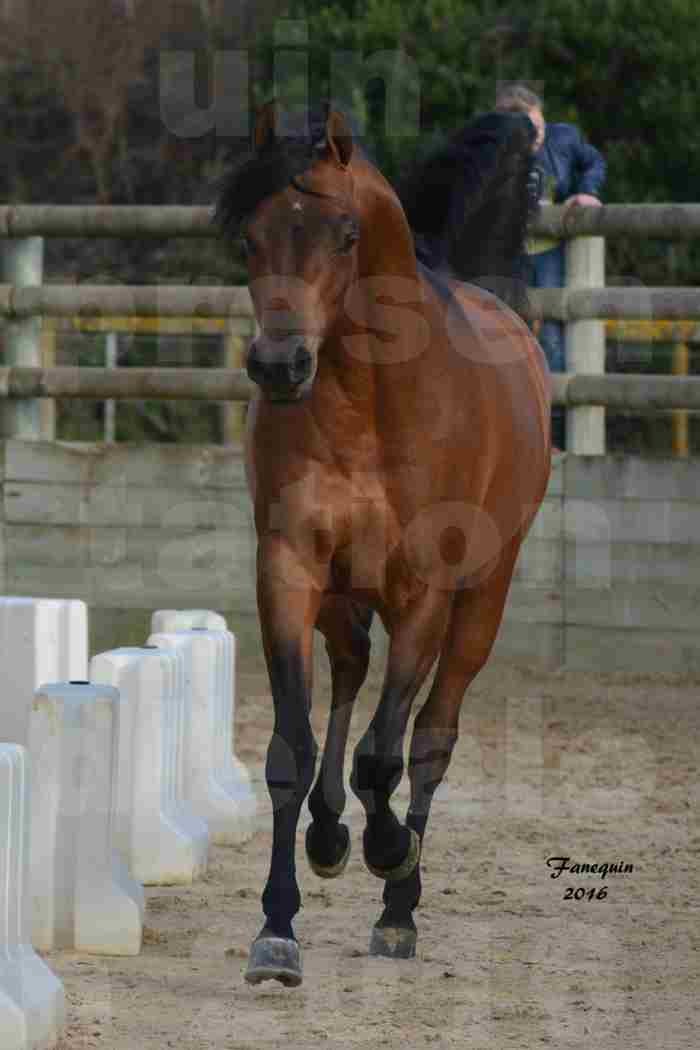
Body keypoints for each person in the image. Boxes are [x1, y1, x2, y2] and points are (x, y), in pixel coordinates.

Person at [494, 83, 606, 447]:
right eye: (530, 131)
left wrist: (588, 189)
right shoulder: (495, 152)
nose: (538, 137)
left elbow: (594, 161)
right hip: (510, 256)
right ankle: (511, 425)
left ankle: (553, 432)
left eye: (540, 127)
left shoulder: (564, 139)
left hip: (550, 254)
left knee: (554, 339)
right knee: (504, 334)